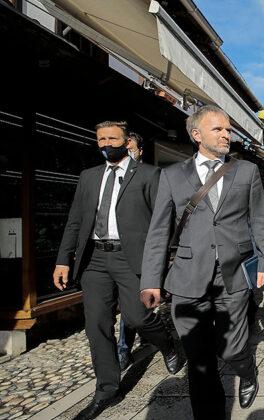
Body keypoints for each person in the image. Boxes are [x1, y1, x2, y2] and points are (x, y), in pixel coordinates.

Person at [140, 105, 264, 419]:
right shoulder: (172, 175)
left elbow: (259, 218)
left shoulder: (245, 171)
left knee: (231, 348)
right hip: (187, 277)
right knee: (199, 360)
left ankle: (246, 368)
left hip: (234, 274)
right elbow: (159, 230)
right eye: (219, 129)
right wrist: (150, 279)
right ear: (196, 134)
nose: (227, 135)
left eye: (228, 130)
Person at [52, 121, 183, 420]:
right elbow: (75, 221)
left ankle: (167, 342)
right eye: (100, 138)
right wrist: (63, 260)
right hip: (94, 260)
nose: (105, 143)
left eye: (112, 138)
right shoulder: (88, 177)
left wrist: (160, 269)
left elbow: (163, 224)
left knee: (138, 317)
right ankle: (107, 389)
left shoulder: (150, 174)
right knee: (96, 325)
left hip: (131, 259)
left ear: (127, 142)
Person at [118, 131, 145, 371]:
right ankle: (123, 350)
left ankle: (149, 334)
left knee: (139, 305)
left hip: (144, 252)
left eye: (131, 149)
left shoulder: (149, 177)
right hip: (116, 253)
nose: (127, 154)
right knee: (128, 304)